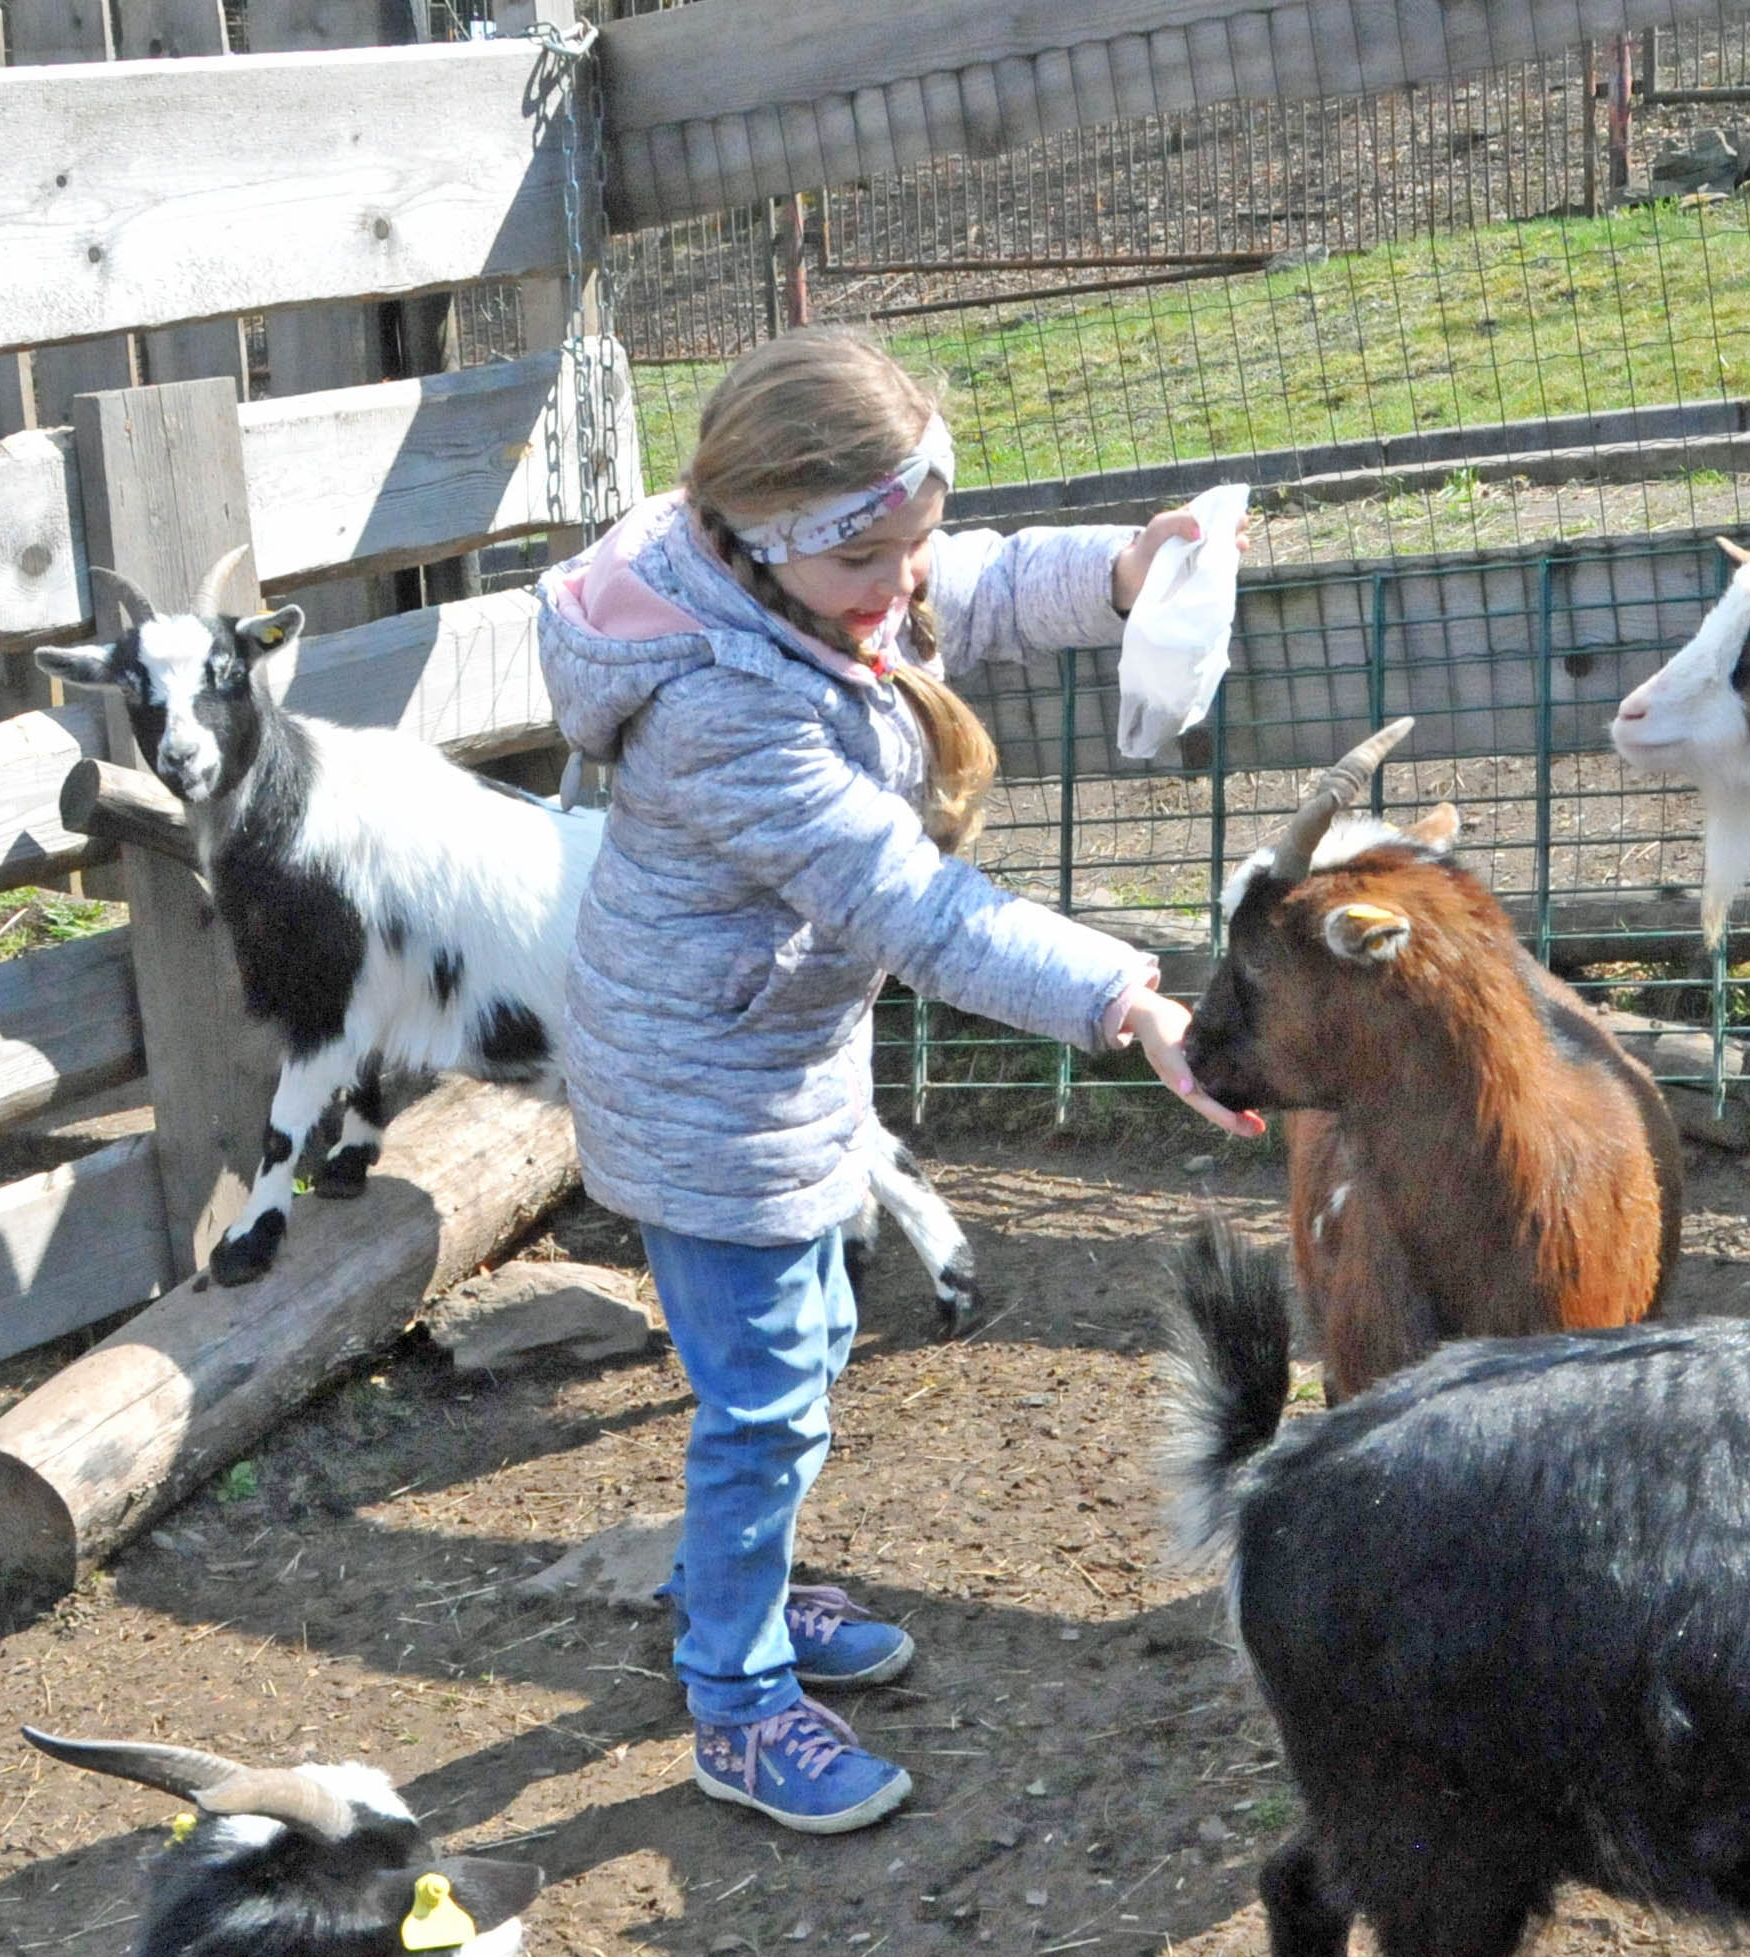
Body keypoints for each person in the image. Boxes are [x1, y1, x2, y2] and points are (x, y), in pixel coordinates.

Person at [535, 327, 1257, 1836]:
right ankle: (732, 1697)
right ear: (772, 535)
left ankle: (756, 1586)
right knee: (766, 1405)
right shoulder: (727, 709)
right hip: (706, 1089)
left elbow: (979, 582)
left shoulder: (814, 588)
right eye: (876, 561)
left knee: (807, 1351)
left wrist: (1127, 575)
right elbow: (915, 911)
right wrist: (1126, 999)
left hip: (771, 1050)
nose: (907, 587)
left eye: (910, 545)